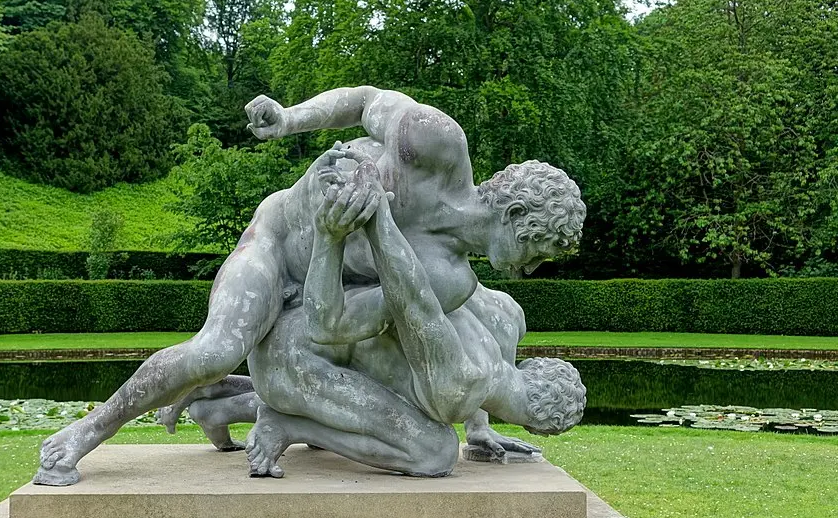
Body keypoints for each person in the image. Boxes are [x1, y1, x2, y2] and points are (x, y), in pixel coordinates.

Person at [35, 86, 585, 485]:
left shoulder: (452, 279)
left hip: (324, 280)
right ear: (516, 214)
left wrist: (479, 425)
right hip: (277, 243)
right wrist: (290, 120)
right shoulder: (437, 144)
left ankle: (244, 406)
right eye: (539, 252)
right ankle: (86, 434)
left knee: (387, 359)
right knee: (217, 349)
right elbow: (367, 99)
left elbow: (343, 326)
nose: (532, 268)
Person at [173, 155, 586, 477]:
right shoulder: (463, 385)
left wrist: (479, 431)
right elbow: (415, 300)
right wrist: (379, 219)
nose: (532, 267)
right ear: (536, 424)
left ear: (535, 368)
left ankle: (219, 405)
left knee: (402, 402)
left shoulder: (508, 318)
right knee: (433, 451)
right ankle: (287, 425)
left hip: (299, 344)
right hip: (303, 351)